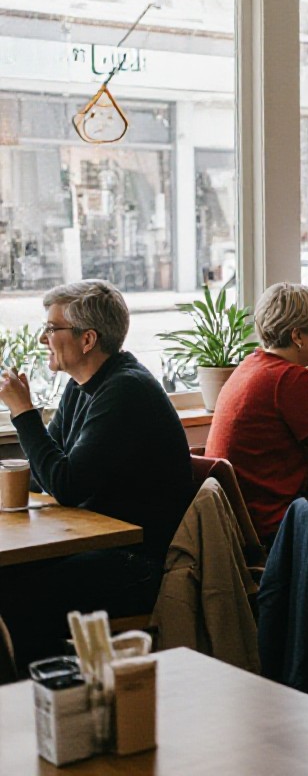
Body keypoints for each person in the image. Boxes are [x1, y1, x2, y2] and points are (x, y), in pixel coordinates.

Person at [0, 280, 194, 669]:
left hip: (134, 562)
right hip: (94, 545)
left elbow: (67, 487)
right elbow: (45, 476)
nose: (42, 339)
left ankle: (48, 698)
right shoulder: (81, 387)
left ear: (87, 339)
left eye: (52, 329)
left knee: (15, 593)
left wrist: (23, 413)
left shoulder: (126, 391)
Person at [207, 282, 308, 544]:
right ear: (297, 335)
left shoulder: (251, 365)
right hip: (273, 529)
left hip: (237, 524)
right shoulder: (290, 379)